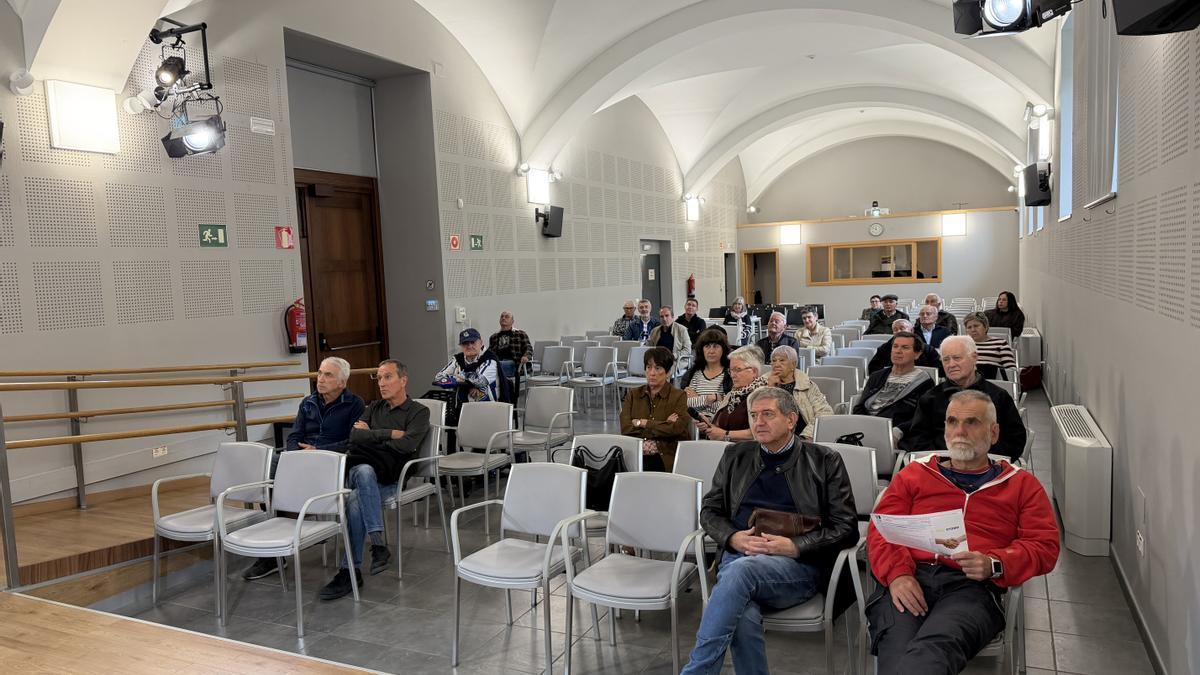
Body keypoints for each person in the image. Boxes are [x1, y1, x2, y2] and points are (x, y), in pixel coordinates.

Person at [867, 390, 1059, 674]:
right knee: (897, 649)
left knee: (932, 652)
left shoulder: (1021, 485)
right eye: (952, 422)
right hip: (911, 575)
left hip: (973, 587)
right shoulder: (914, 475)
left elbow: (1044, 546)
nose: (959, 431)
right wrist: (898, 574)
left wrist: (994, 563)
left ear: (994, 433)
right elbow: (882, 529)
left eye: (972, 422)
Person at [682, 387, 858, 674]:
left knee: (739, 574)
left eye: (767, 414)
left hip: (797, 567)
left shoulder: (825, 460)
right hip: (740, 555)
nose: (758, 422)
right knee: (742, 612)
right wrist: (732, 537)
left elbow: (846, 527)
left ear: (790, 420)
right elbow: (710, 511)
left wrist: (797, 545)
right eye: (753, 415)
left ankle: (697, 670)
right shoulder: (735, 455)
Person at [243, 357, 364, 581]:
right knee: (269, 469)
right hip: (302, 459)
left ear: (342, 382)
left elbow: (353, 441)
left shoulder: (354, 404)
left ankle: (299, 528)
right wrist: (294, 456)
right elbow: (295, 435)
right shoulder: (308, 402)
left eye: (328, 375)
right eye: (319, 373)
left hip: (331, 461)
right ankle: (274, 549)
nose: (321, 379)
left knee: (285, 475)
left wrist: (317, 449)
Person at [320, 359, 431, 600]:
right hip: (364, 473)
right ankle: (378, 545)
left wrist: (370, 436)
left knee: (356, 500)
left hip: (392, 476)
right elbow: (354, 437)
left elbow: (408, 445)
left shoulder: (419, 412)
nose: (381, 383)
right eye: (378, 378)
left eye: (387, 377)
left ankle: (349, 572)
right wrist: (389, 434)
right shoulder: (374, 407)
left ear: (403, 380)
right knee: (363, 471)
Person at [901, 337, 1026, 460]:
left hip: (987, 467)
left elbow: (1015, 440)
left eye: (957, 358)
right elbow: (917, 439)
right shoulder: (930, 398)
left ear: (974, 357)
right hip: (941, 469)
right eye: (946, 360)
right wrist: (945, 462)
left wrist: (979, 459)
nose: (951, 364)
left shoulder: (998, 396)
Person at [853, 332, 935, 442]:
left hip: (894, 434)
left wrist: (899, 430)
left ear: (917, 354)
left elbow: (922, 416)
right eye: (895, 346)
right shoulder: (876, 376)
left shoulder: (924, 381)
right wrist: (863, 425)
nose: (898, 351)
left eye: (905, 348)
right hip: (865, 429)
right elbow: (860, 406)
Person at [619, 346, 690, 471]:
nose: (652, 373)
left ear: (667, 372)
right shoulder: (633, 395)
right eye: (648, 367)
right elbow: (626, 428)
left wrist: (642, 423)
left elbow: (676, 428)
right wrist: (663, 425)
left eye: (658, 368)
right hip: (636, 451)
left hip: (664, 453)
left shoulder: (679, 396)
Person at [696, 346, 768, 443]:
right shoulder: (731, 395)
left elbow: (760, 432)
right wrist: (710, 425)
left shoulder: (763, 396)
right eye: (731, 370)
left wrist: (725, 434)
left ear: (754, 371)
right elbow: (721, 428)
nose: (733, 375)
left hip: (749, 453)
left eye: (738, 370)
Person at [765, 345, 833, 438]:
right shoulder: (762, 384)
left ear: (793, 364)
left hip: (802, 437)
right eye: (773, 361)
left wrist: (807, 435)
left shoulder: (807, 386)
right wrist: (770, 388)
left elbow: (824, 412)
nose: (776, 364)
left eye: (782, 360)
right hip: (772, 437)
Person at [683, 328, 733, 419]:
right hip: (694, 423)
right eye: (707, 346)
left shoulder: (730, 374)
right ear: (702, 350)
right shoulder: (695, 373)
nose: (711, 351)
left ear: (723, 349)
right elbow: (686, 403)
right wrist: (712, 398)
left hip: (718, 424)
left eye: (716, 346)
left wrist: (698, 398)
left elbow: (728, 408)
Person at [868, 319, 941, 374]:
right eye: (895, 330)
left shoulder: (927, 349)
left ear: (911, 330)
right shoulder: (884, 348)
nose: (899, 331)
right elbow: (873, 368)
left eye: (902, 328)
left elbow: (938, 370)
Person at [963, 312, 1017, 380]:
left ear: (986, 327)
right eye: (969, 327)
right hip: (967, 383)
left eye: (976, 326)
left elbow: (1011, 370)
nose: (973, 330)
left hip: (993, 382)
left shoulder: (1000, 343)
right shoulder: (962, 345)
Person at [488, 310, 532, 383]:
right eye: (502, 316)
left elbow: (528, 348)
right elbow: (489, 353)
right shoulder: (494, 337)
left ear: (512, 321)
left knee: (497, 366)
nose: (503, 318)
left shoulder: (520, 334)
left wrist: (526, 356)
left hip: (515, 364)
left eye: (507, 317)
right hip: (498, 362)